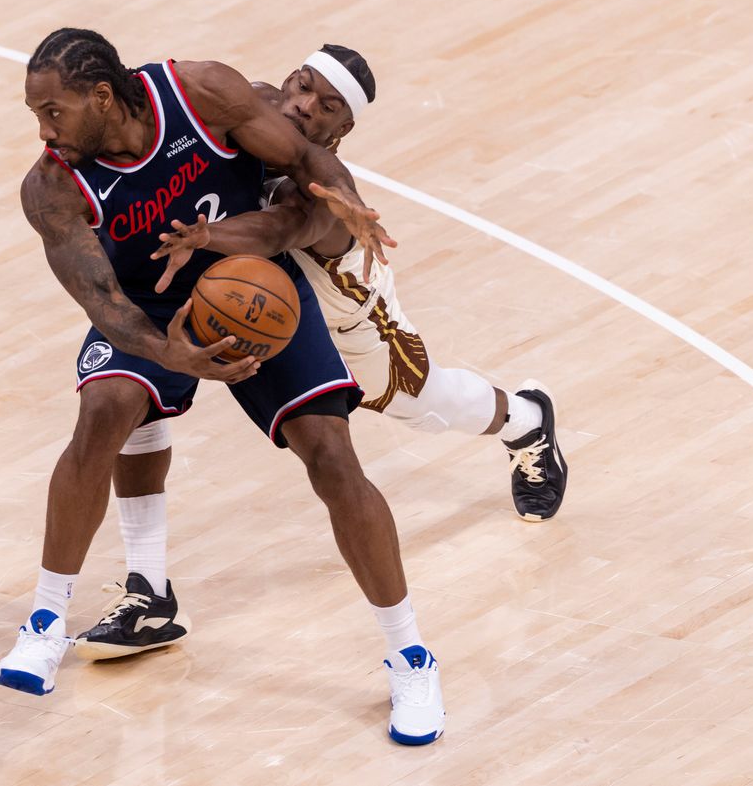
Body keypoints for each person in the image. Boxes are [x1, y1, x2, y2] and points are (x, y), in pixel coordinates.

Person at [0, 28, 446, 746]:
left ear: (102, 97)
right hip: (150, 307)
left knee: (334, 458)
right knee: (105, 410)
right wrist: (168, 351)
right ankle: (45, 622)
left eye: (53, 112)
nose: (44, 131)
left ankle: (411, 656)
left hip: (255, 289)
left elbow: (305, 160)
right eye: (36, 114)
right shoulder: (50, 188)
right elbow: (104, 304)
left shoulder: (201, 93)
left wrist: (346, 197)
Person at [73, 44, 567, 694]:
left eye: (326, 106)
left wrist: (205, 235)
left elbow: (278, 231)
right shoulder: (245, 106)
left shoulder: (324, 187)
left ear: (342, 128)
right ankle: (148, 592)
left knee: (425, 403)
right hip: (249, 302)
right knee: (138, 384)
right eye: (302, 86)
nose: (306, 105)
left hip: (350, 321)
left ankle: (525, 419)